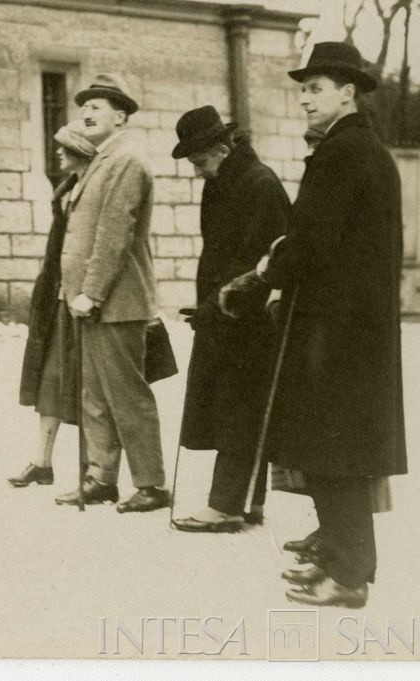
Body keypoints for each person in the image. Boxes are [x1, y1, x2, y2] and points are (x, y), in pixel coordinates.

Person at [221, 41, 407, 608]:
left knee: (338, 450)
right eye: (303, 88)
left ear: (347, 93)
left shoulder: (344, 153)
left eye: (316, 88)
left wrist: (264, 276)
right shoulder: (354, 147)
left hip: (338, 327)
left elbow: (312, 239)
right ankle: (337, 557)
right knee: (331, 445)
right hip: (346, 322)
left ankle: (349, 576)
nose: (305, 98)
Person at [166, 106, 290, 532]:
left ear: (222, 149)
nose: (197, 171)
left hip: (247, 317)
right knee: (232, 406)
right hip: (221, 315)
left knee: (240, 408)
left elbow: (256, 259)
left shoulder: (260, 185)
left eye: (200, 162)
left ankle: (225, 505)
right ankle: (246, 502)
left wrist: (220, 303)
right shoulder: (222, 182)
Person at [54, 74, 169, 513]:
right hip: (90, 300)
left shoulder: (127, 160)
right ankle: (101, 478)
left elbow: (113, 234)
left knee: (126, 394)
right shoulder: (104, 158)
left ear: (120, 115)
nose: (86, 112)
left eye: (97, 106)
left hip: (115, 302)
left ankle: (152, 484)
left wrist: (92, 292)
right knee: (95, 394)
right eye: (84, 106)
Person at [10, 122, 97, 487]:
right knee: (50, 379)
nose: (58, 153)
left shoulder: (94, 189)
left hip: (86, 300)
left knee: (91, 387)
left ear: (79, 152)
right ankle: (41, 462)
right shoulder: (65, 191)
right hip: (58, 297)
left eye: (64, 148)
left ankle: (97, 470)